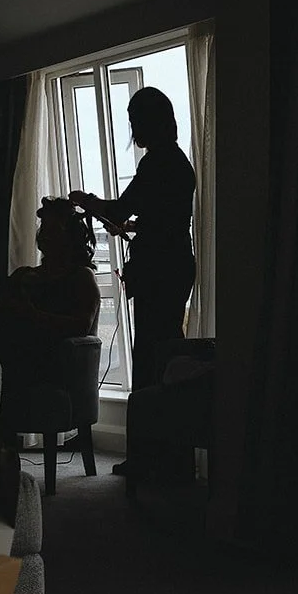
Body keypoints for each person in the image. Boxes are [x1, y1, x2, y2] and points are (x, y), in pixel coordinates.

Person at [71, 87, 197, 474]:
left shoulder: (156, 162)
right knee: (166, 357)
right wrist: (133, 226)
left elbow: (120, 208)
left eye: (134, 120)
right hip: (176, 264)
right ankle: (170, 456)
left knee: (149, 360)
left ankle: (148, 457)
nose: (132, 128)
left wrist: (86, 200)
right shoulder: (178, 162)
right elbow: (163, 219)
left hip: (160, 270)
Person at [0, 197, 101, 392]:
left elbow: (82, 325)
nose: (45, 235)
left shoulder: (81, 277)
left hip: (47, 361)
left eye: (53, 229)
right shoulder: (23, 275)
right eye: (44, 228)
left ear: (70, 236)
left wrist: (31, 314)